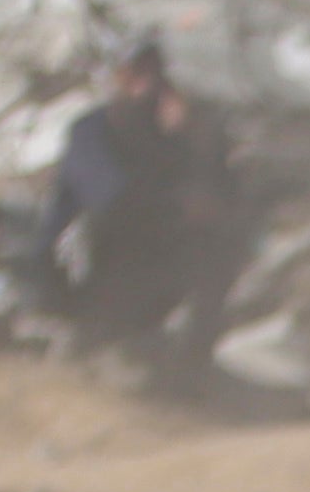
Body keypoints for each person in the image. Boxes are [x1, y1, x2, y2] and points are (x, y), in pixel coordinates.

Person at [48, 40, 252, 374]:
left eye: (153, 74)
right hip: (108, 263)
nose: (148, 85)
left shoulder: (175, 129)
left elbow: (222, 186)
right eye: (136, 75)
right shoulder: (93, 131)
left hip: (166, 256)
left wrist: (196, 143)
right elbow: (109, 198)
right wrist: (176, 204)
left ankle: (190, 369)